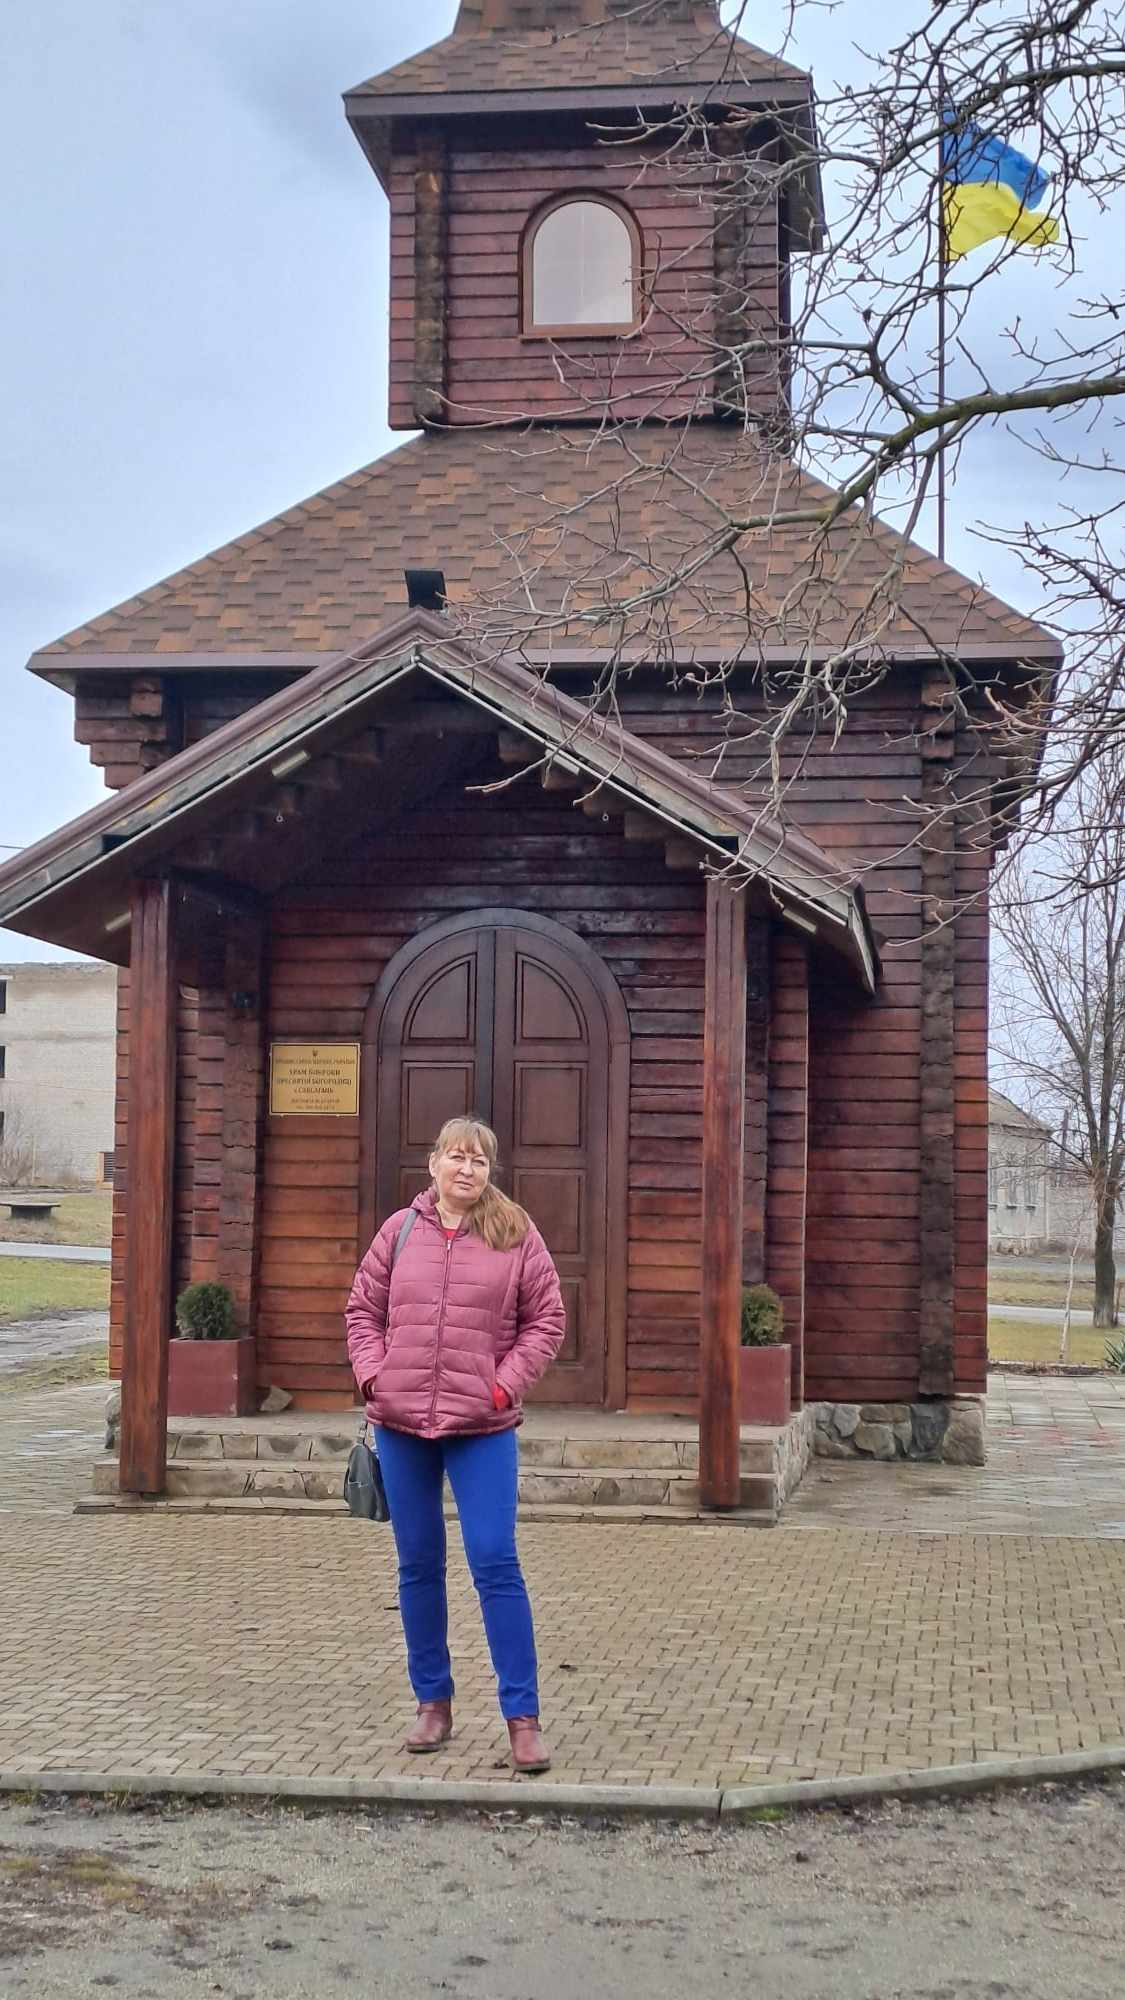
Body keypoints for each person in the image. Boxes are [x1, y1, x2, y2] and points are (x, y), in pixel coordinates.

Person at [345, 1116, 567, 1774]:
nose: (466, 1170)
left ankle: (522, 1718)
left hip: (482, 1428)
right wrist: (375, 1376)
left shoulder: (514, 1233)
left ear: (489, 1172)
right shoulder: (399, 1231)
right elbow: (362, 1311)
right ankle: (432, 1704)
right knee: (418, 1564)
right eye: (456, 1157)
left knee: (495, 1560)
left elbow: (547, 1319)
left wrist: (502, 1386)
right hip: (402, 1425)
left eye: (479, 1161)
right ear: (434, 1163)